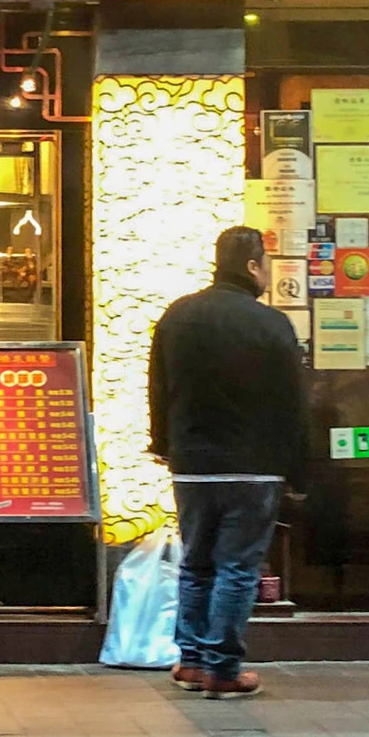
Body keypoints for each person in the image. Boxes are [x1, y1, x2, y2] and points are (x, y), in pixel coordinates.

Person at [148, 225, 307, 701]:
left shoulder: (176, 317)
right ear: (254, 267)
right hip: (253, 466)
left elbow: (158, 388)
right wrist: (299, 468)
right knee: (237, 568)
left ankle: (192, 661)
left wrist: (163, 444)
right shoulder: (272, 324)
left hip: (192, 464)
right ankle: (223, 668)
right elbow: (293, 403)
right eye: (266, 266)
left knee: (195, 563)